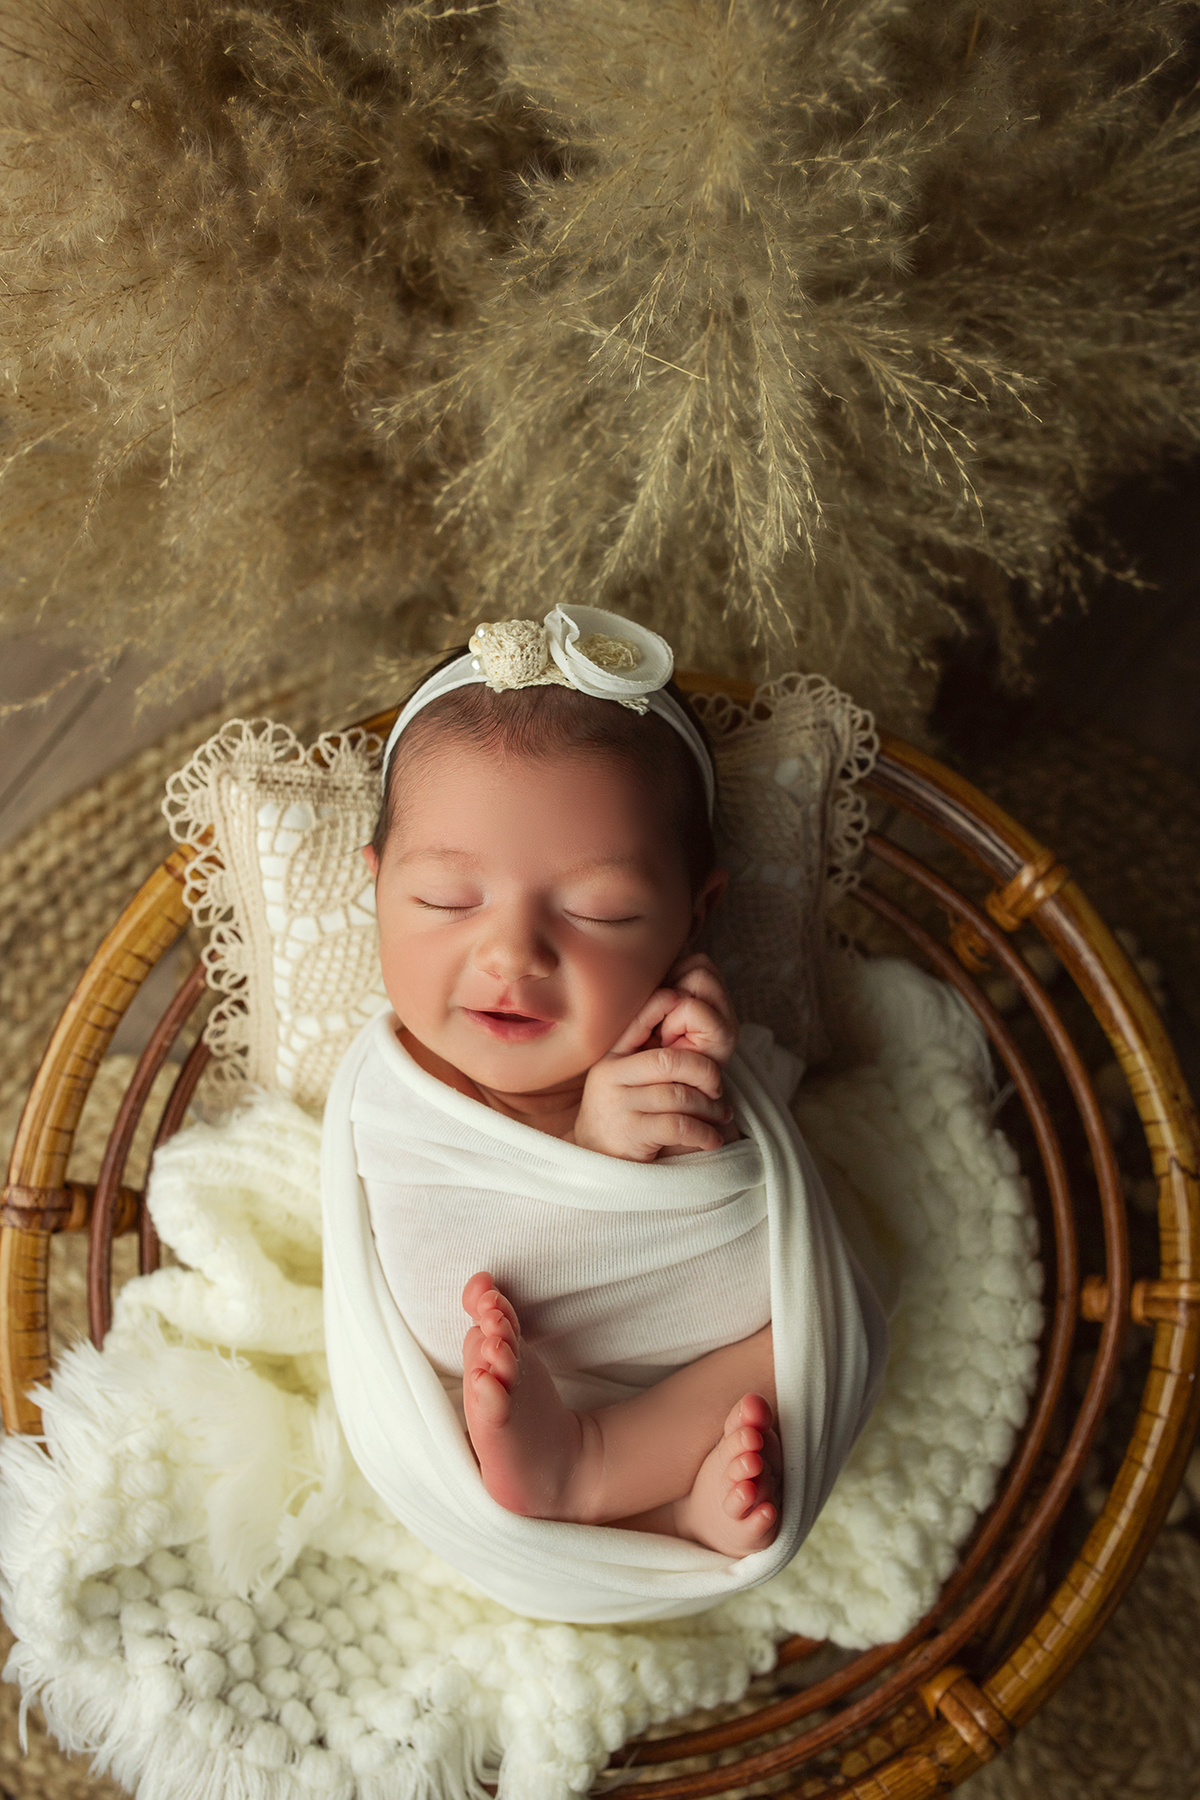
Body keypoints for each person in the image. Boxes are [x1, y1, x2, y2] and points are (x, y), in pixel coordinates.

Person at [320, 604, 887, 1617]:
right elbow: (440, 1272)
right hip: (501, 1375)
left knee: (824, 1320)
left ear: (691, 916)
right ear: (374, 890)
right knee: (474, 1327)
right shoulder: (394, 1089)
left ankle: (618, 1487)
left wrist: (686, 1098)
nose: (511, 956)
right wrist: (583, 1157)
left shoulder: (670, 1027)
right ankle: (633, 1504)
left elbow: (760, 1211)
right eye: (449, 900)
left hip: (686, 1369)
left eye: (600, 914)